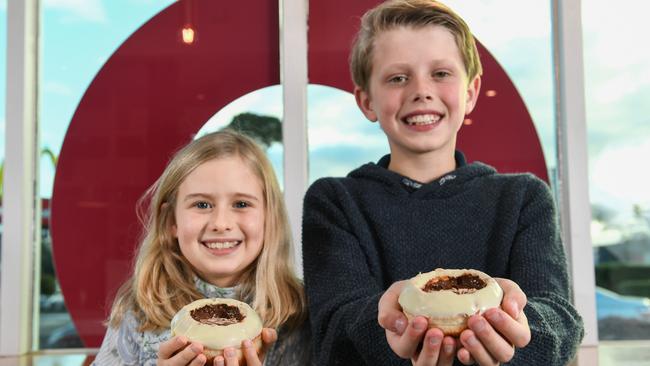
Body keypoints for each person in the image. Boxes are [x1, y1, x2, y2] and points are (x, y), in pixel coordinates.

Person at [301, 0, 584, 365]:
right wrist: (392, 320)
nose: (421, 90)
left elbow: (560, 320)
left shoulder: (524, 198)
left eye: (441, 73)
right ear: (367, 100)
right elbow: (334, 332)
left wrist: (519, 322)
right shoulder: (335, 201)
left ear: (470, 93)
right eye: (398, 77)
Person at [93, 130, 311, 366]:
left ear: (270, 218)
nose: (220, 223)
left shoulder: (299, 313)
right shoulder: (140, 310)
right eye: (202, 204)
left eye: (241, 204)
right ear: (171, 221)